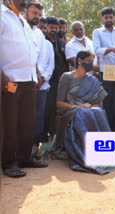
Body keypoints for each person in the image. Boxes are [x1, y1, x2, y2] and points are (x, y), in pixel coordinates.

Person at [1, 0, 48, 178]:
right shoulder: (2, 16)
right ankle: (9, 162)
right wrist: (2, 79)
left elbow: (30, 51)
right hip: (11, 81)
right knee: (10, 123)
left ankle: (24, 157)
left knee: (27, 123)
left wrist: (36, 73)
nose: (26, 2)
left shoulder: (21, 19)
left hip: (29, 81)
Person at [54, 50, 115, 174]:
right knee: (83, 113)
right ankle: (85, 153)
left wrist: (92, 106)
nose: (90, 64)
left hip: (87, 110)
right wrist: (80, 106)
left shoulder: (92, 80)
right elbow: (59, 103)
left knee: (99, 112)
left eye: (92, 62)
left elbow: (99, 104)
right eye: (88, 61)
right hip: (68, 111)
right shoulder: (67, 77)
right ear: (80, 61)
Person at [24, 2, 55, 154]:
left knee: (39, 117)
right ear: (26, 12)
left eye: (39, 15)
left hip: (42, 86)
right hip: (26, 82)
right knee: (24, 116)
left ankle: (35, 146)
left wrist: (43, 78)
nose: (37, 18)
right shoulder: (23, 30)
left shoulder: (45, 42)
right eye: (34, 13)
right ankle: (22, 147)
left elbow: (50, 65)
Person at [43, 16, 69, 141]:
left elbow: (65, 63)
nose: (54, 30)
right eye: (51, 27)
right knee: (46, 109)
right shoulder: (42, 41)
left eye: (56, 27)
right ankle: (43, 136)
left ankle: (55, 135)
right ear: (46, 27)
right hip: (46, 81)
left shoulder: (62, 43)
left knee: (57, 109)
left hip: (60, 82)